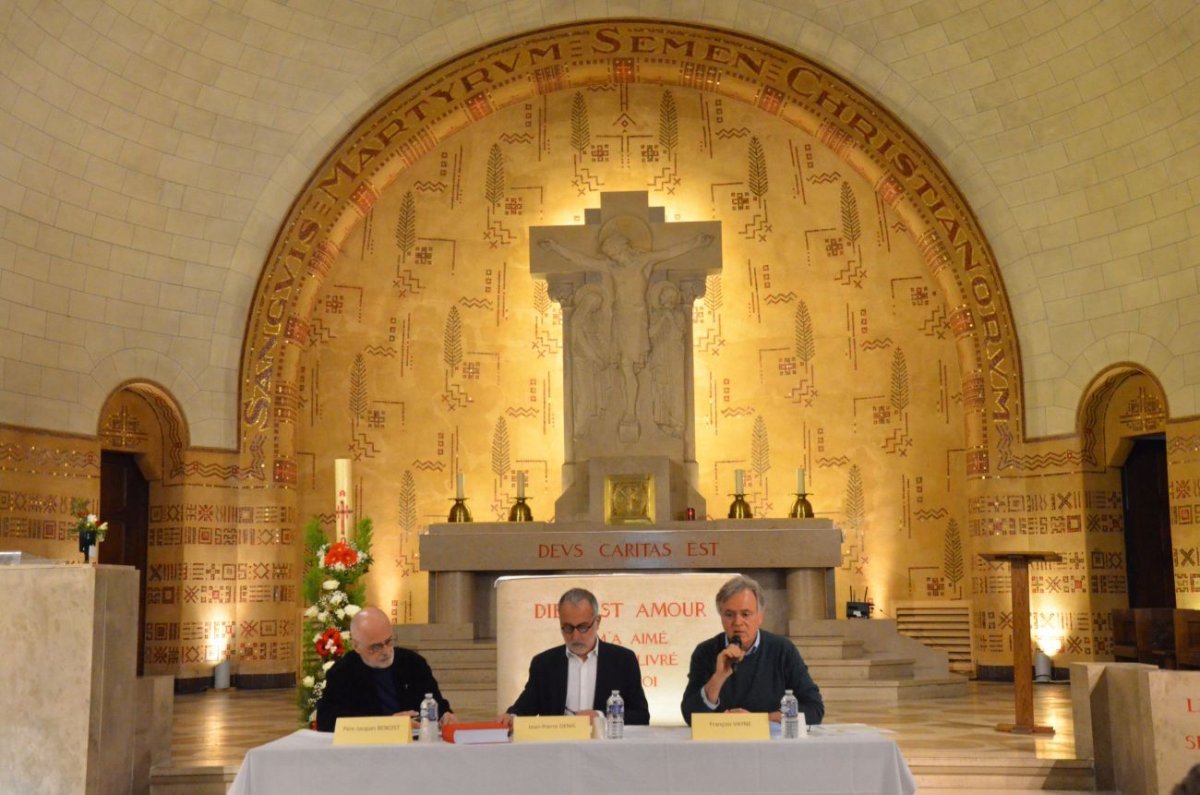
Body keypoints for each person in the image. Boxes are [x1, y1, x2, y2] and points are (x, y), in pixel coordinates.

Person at [681, 574, 824, 726]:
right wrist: (718, 677)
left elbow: (814, 709)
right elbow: (690, 717)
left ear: (760, 617)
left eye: (745, 614)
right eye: (729, 615)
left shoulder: (782, 650)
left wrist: (759, 720)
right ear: (721, 617)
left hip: (770, 745)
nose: (737, 623)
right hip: (721, 744)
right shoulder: (705, 651)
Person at [499, 587, 650, 725]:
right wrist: (512, 716)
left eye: (583, 627)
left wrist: (601, 716)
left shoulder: (623, 661)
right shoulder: (544, 664)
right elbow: (525, 707)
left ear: (597, 622)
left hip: (606, 748)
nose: (575, 636)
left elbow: (641, 716)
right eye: (568, 628)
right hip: (558, 749)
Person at [316, 606, 457, 732]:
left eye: (389, 641)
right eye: (375, 647)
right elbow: (327, 721)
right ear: (356, 646)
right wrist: (387, 723)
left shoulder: (413, 663)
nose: (386, 651)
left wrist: (445, 715)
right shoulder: (342, 672)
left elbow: (435, 701)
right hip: (367, 750)